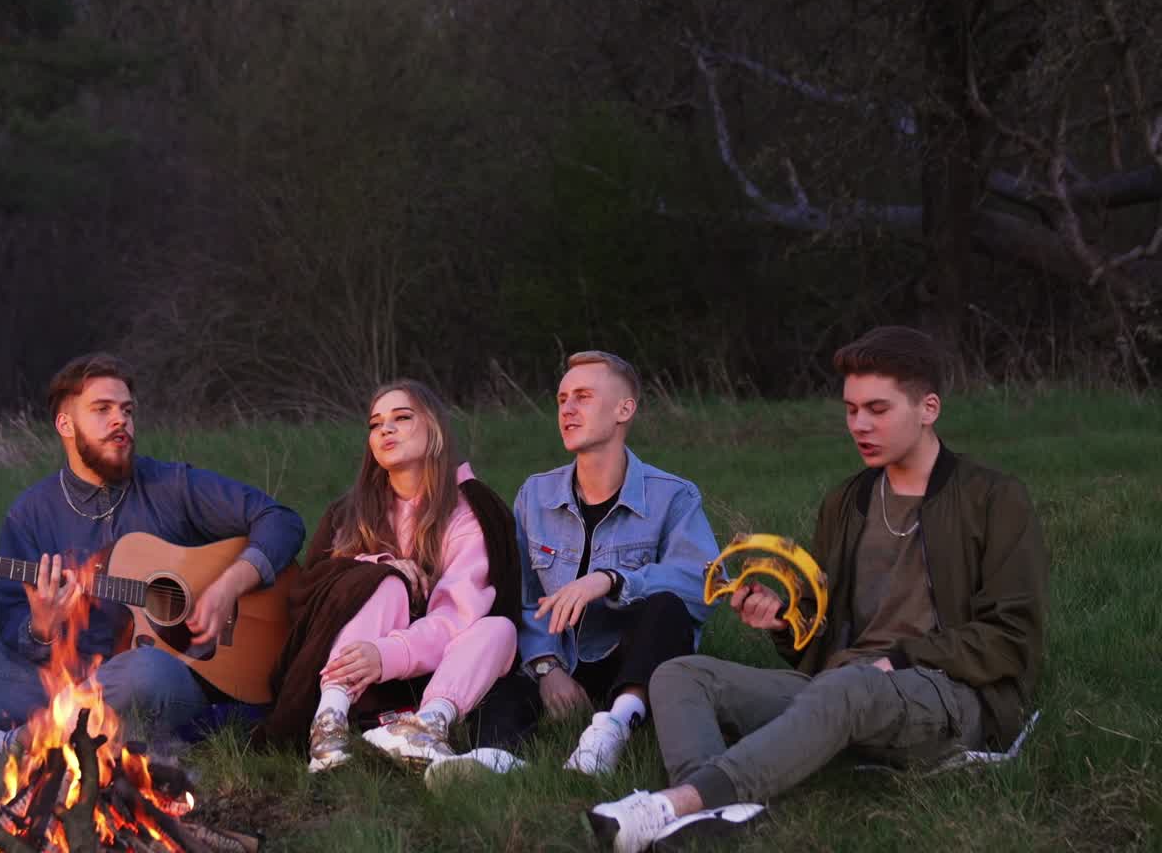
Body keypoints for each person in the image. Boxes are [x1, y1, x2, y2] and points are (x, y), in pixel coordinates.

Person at [587, 326, 1049, 852]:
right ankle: (721, 811)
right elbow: (822, 629)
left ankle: (674, 804)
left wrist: (896, 660)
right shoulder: (847, 501)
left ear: (928, 408)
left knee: (845, 685)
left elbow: (1011, 637)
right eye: (851, 410)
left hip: (949, 695)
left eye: (877, 409)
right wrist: (786, 622)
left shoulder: (993, 498)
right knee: (678, 674)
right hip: (843, 684)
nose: (860, 425)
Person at [0, 352, 306, 791]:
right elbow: (15, 634)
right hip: (55, 681)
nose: (120, 421)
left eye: (126, 410)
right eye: (102, 410)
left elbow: (281, 521)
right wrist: (43, 628)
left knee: (146, 671)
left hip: (155, 677)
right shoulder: (29, 515)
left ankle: (7, 744)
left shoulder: (171, 485)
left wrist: (226, 586)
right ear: (66, 425)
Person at [439, 350, 719, 781]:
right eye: (562, 399)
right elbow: (524, 597)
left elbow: (703, 585)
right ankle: (495, 756)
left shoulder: (674, 497)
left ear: (624, 409)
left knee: (668, 608)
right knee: (498, 657)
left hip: (629, 660)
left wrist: (610, 579)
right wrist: (547, 668)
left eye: (584, 397)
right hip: (556, 656)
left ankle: (611, 730)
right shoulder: (535, 495)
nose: (567, 409)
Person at [258, 379, 520, 771]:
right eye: (375, 424)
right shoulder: (348, 514)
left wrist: (386, 654)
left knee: (499, 629)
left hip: (432, 671)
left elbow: (458, 618)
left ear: (434, 430)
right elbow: (311, 596)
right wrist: (376, 568)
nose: (385, 429)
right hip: (347, 675)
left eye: (401, 417)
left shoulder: (469, 510)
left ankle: (426, 727)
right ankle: (328, 723)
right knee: (385, 583)